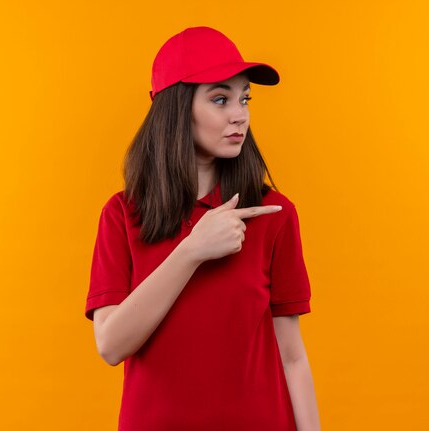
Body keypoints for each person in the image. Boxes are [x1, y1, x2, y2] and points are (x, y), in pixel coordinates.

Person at [85, 26, 321, 431]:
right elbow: (111, 345)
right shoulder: (122, 215)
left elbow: (292, 354)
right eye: (219, 98)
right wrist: (192, 250)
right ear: (175, 109)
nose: (240, 114)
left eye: (244, 98)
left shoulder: (273, 213)